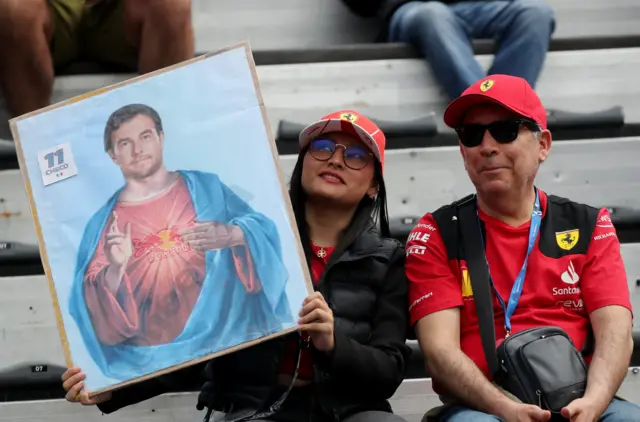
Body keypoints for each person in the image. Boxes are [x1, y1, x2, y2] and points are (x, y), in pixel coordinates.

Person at [62, 110, 412, 422]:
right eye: (322, 148)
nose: (335, 160)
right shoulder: (240, 240)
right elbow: (198, 341)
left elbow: (389, 371)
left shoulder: (387, 259)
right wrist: (113, 388)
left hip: (349, 411)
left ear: (373, 187)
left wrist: (334, 343)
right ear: (302, 161)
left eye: (354, 156)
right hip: (254, 409)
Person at [405, 74, 638, 421]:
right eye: (472, 135)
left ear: (543, 144)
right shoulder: (436, 231)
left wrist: (592, 405)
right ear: (462, 151)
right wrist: (507, 409)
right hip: (483, 406)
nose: (487, 147)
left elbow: (616, 333)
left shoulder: (589, 224)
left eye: (505, 130)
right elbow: (439, 352)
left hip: (582, 398)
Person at [69, 103, 292, 382]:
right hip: (153, 363)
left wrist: (232, 234)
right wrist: (115, 269)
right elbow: (86, 294)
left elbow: (261, 227)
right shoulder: (103, 222)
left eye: (145, 136)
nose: (137, 149)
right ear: (113, 155)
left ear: (161, 138)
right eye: (125, 143)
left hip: (230, 343)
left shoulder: (207, 187)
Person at [0, 0, 194, 118]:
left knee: (171, 5)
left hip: (119, 11)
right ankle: (37, 146)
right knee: (13, 10)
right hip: (47, 9)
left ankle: (168, 137)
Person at [341, 0, 555, 100]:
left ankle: (506, 111)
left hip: (478, 7)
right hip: (413, 9)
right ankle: (489, 114)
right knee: (434, 14)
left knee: (535, 12)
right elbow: (362, 7)